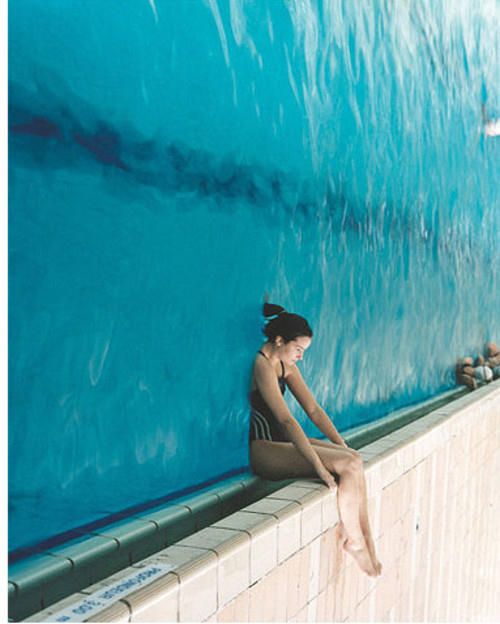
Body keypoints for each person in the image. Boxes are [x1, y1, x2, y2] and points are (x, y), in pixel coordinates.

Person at [249, 303, 382, 577]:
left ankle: (365, 537)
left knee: (353, 459)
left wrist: (341, 444)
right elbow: (286, 421)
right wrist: (319, 466)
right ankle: (354, 542)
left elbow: (313, 410)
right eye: (298, 349)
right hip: (263, 450)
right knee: (346, 466)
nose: (301, 356)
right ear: (278, 340)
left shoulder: (284, 364)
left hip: (281, 445)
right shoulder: (262, 366)